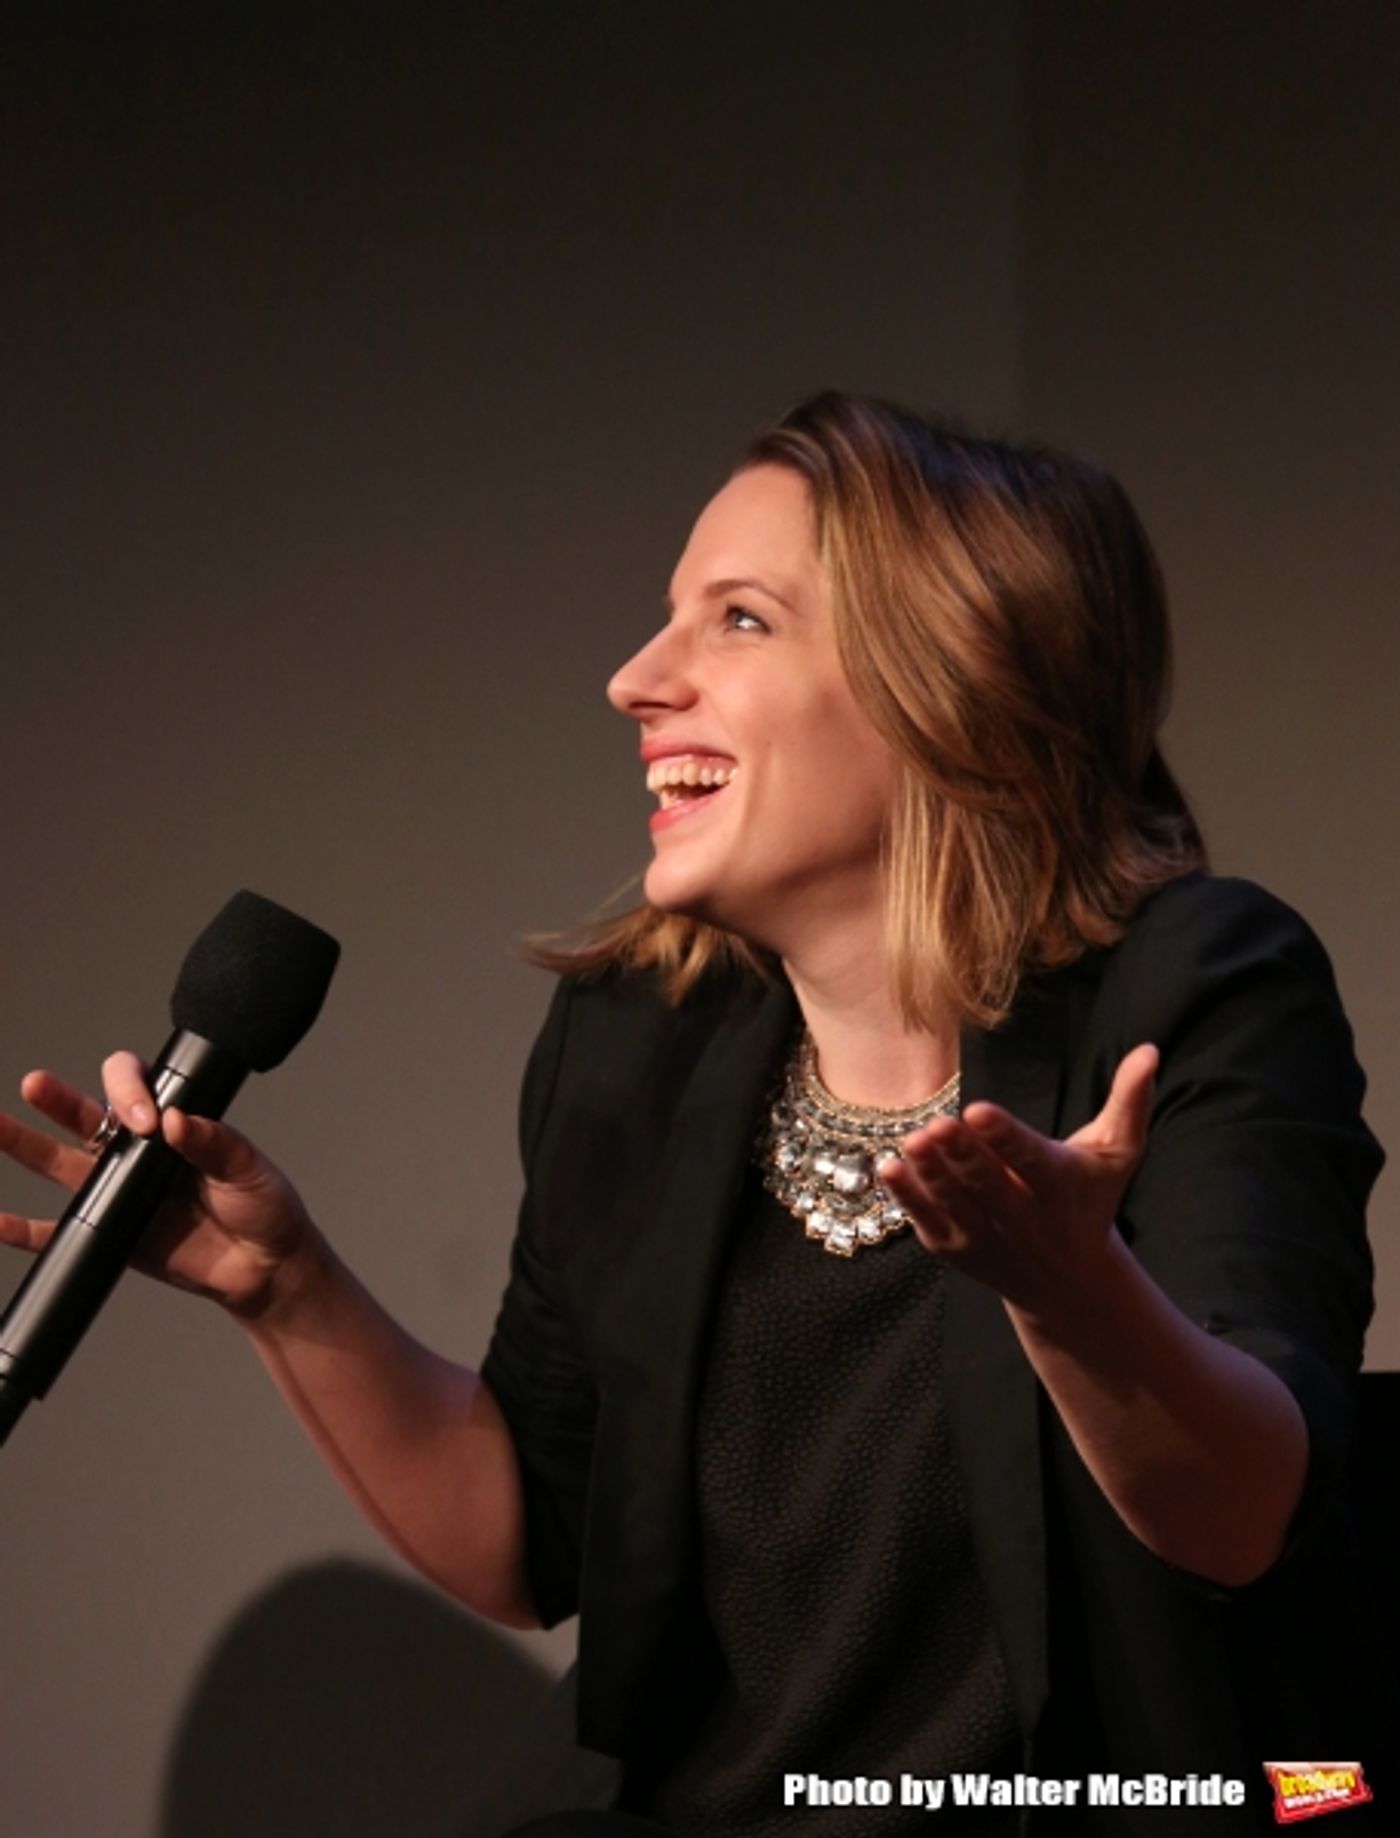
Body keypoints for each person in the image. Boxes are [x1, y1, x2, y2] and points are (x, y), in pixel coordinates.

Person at [0, 393, 1389, 1834]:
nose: (634, 680)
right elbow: (532, 1537)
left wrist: (1074, 1291)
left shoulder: (1194, 992)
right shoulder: (639, 1044)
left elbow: (1246, 1519)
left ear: (949, 678)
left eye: (737, 620)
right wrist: (288, 1290)